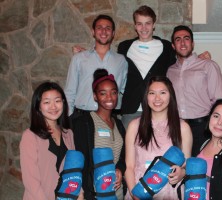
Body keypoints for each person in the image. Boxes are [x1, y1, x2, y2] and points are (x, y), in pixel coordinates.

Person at [118, 5, 211, 129]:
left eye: (148, 23)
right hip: (131, 109)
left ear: (154, 25)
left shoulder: (166, 47)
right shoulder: (124, 47)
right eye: (139, 24)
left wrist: (198, 59)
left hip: (158, 108)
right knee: (129, 147)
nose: (144, 28)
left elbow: (181, 64)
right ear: (135, 26)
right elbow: (113, 64)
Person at [125, 76, 193, 199]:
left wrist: (181, 173)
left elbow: (187, 165)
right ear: (146, 96)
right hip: (139, 188)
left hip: (169, 191)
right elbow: (129, 167)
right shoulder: (134, 126)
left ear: (170, 96)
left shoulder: (183, 127)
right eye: (152, 93)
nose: (157, 98)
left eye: (162, 93)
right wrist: (134, 194)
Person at [167, 25, 222, 157]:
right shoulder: (170, 71)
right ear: (173, 46)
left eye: (186, 39)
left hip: (202, 128)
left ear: (192, 44)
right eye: (178, 39)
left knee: (200, 170)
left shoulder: (208, 65)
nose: (182, 42)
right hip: (177, 128)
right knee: (178, 168)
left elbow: (218, 101)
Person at [20, 82, 83, 200]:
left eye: (57, 101)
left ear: (63, 103)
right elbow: (31, 182)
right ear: (38, 106)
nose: (53, 107)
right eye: (47, 102)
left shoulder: (68, 134)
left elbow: (74, 170)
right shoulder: (30, 136)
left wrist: (80, 193)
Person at [71, 69, 126, 200]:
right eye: (103, 93)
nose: (109, 97)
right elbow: (80, 161)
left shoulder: (119, 124)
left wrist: (120, 169)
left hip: (117, 193)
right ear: (95, 96)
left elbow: (122, 157)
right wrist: (82, 192)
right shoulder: (84, 122)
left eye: (113, 92)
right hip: (95, 194)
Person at [65, 14, 128, 116]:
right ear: (93, 32)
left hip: (110, 116)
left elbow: (126, 89)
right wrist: (69, 119)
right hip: (82, 116)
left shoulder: (121, 61)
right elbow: (69, 92)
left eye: (108, 28)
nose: (103, 31)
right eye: (99, 28)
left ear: (113, 33)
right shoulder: (79, 58)